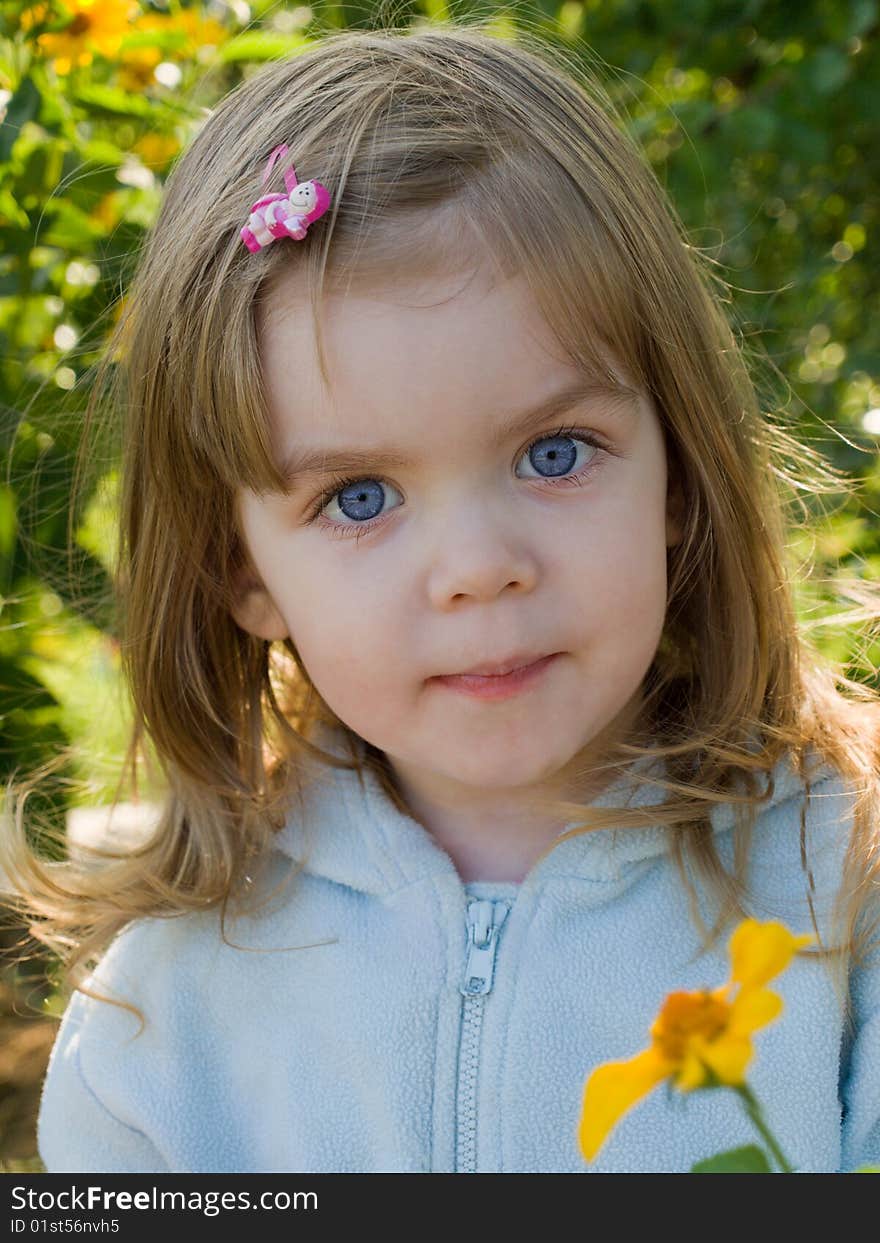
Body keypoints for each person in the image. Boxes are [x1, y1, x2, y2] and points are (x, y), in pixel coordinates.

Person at [4, 22, 880, 1174]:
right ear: (242, 570)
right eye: (360, 495)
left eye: (555, 453)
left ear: (681, 470)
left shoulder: (845, 892)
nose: (478, 567)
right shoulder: (163, 1018)